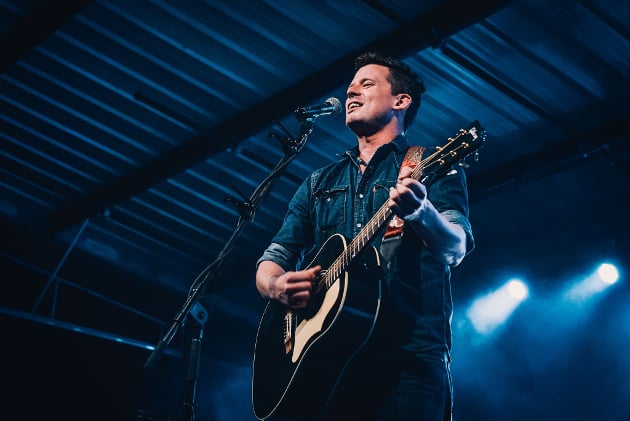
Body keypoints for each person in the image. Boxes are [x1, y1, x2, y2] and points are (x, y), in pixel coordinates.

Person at [255, 51, 474, 420]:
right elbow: (272, 259)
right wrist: (277, 286)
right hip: (331, 364)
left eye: (366, 84)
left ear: (401, 101)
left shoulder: (428, 165)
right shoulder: (318, 182)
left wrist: (421, 212)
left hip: (407, 361)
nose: (351, 92)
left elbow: (456, 248)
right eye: (350, 87)